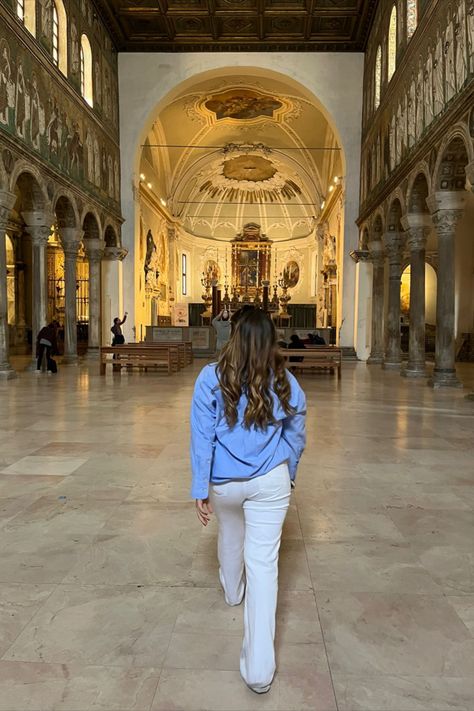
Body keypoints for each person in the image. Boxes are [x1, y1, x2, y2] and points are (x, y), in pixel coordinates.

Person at [190, 309, 306, 694]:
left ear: (233, 336)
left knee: (230, 534)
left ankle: (231, 590)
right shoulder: (284, 380)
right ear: (272, 339)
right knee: (264, 565)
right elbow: (297, 429)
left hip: (224, 480)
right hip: (270, 480)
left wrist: (199, 486)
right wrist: (287, 471)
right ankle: (259, 670)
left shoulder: (210, 378)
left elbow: (201, 435)